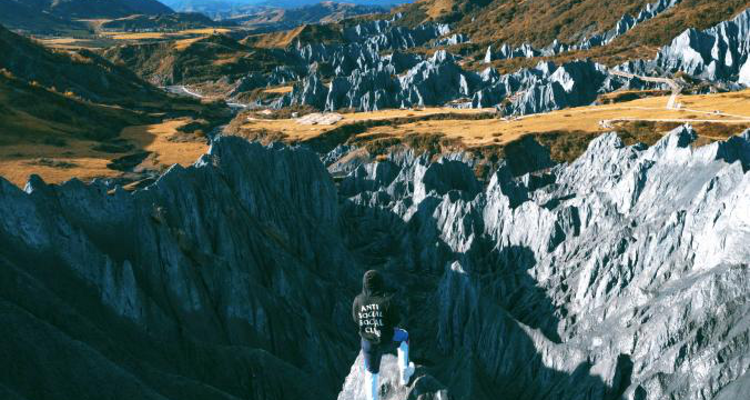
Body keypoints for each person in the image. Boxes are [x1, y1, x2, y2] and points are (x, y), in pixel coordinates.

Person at [352, 270, 415, 400]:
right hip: (387, 339)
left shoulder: (358, 300)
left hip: (368, 342)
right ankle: (404, 374)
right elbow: (395, 320)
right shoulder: (385, 301)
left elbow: (356, 319)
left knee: (371, 373)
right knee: (405, 336)